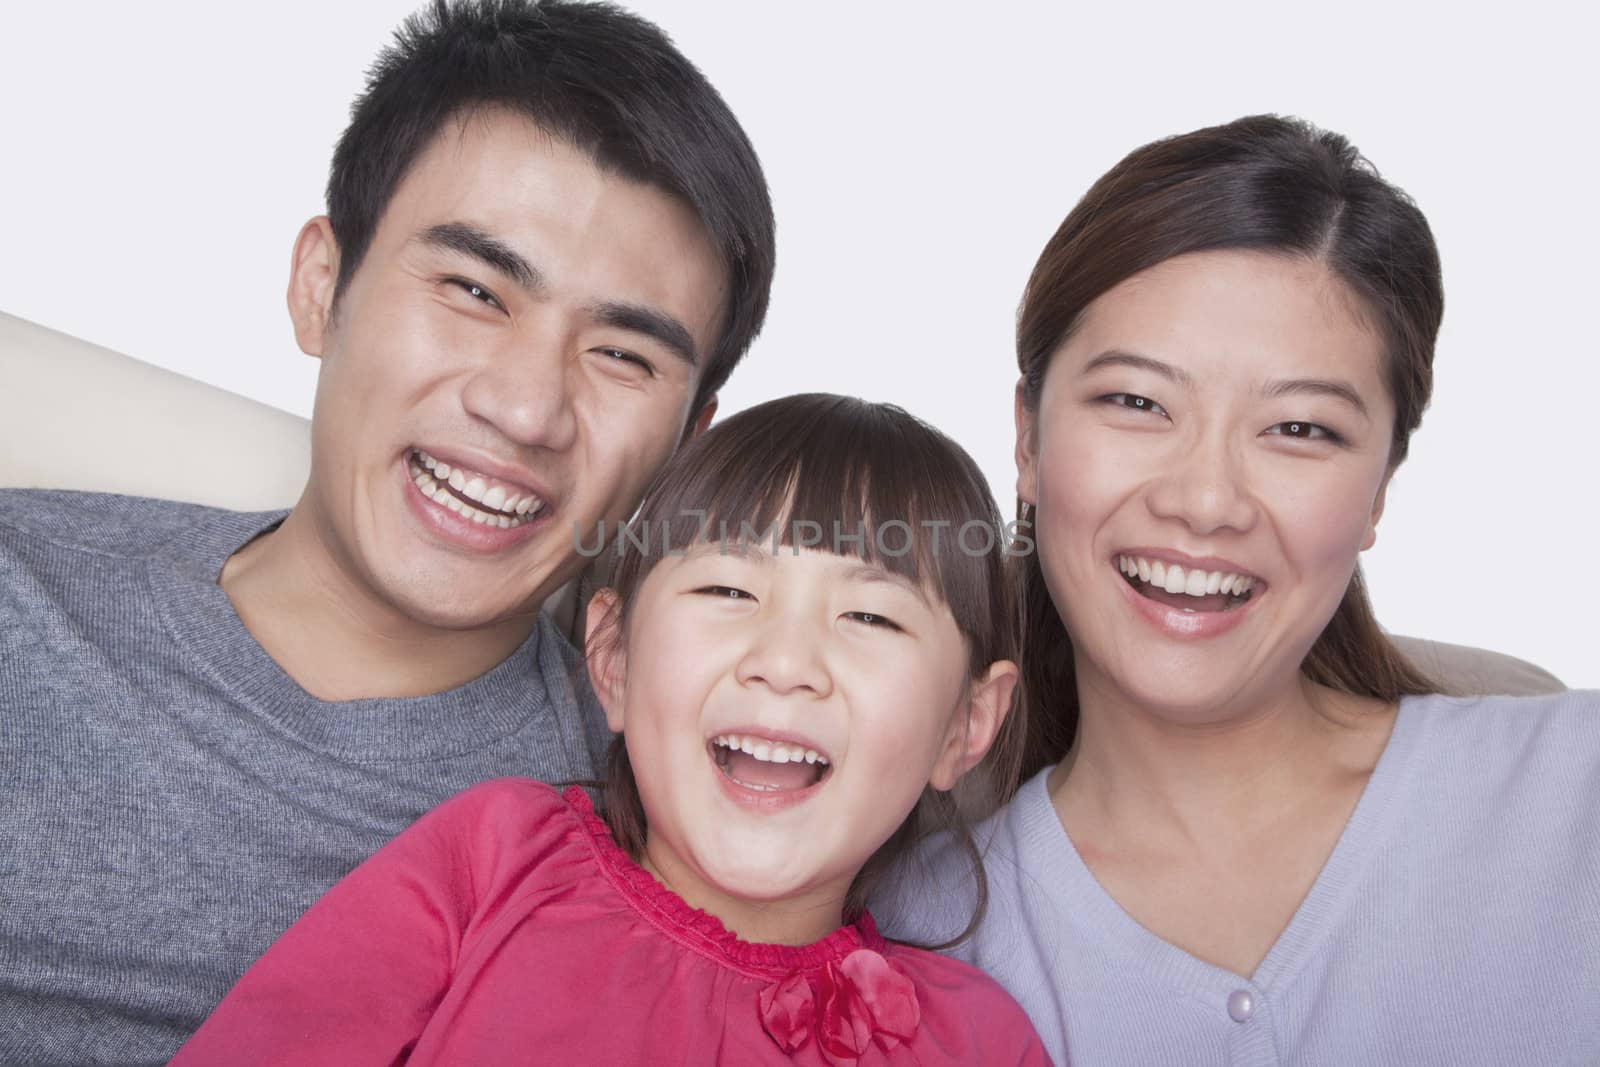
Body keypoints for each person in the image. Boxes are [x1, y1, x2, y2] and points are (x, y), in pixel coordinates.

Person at [0, 1, 773, 1061]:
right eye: (473, 288)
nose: (527, 409)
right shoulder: (20, 589)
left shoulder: (670, 825)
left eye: (624, 356)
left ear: (688, 441)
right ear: (323, 286)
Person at [875, 115, 1600, 1065]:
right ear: (1027, 441)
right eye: (1136, 402)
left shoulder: (1571, 788)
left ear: (1379, 487)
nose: (1205, 501)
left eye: (1300, 429)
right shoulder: (902, 933)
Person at [166, 394, 1052, 1065]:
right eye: (727, 591)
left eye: (870, 618)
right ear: (614, 659)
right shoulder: (497, 859)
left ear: (966, 725)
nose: (784, 663)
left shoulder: (974, 1037)